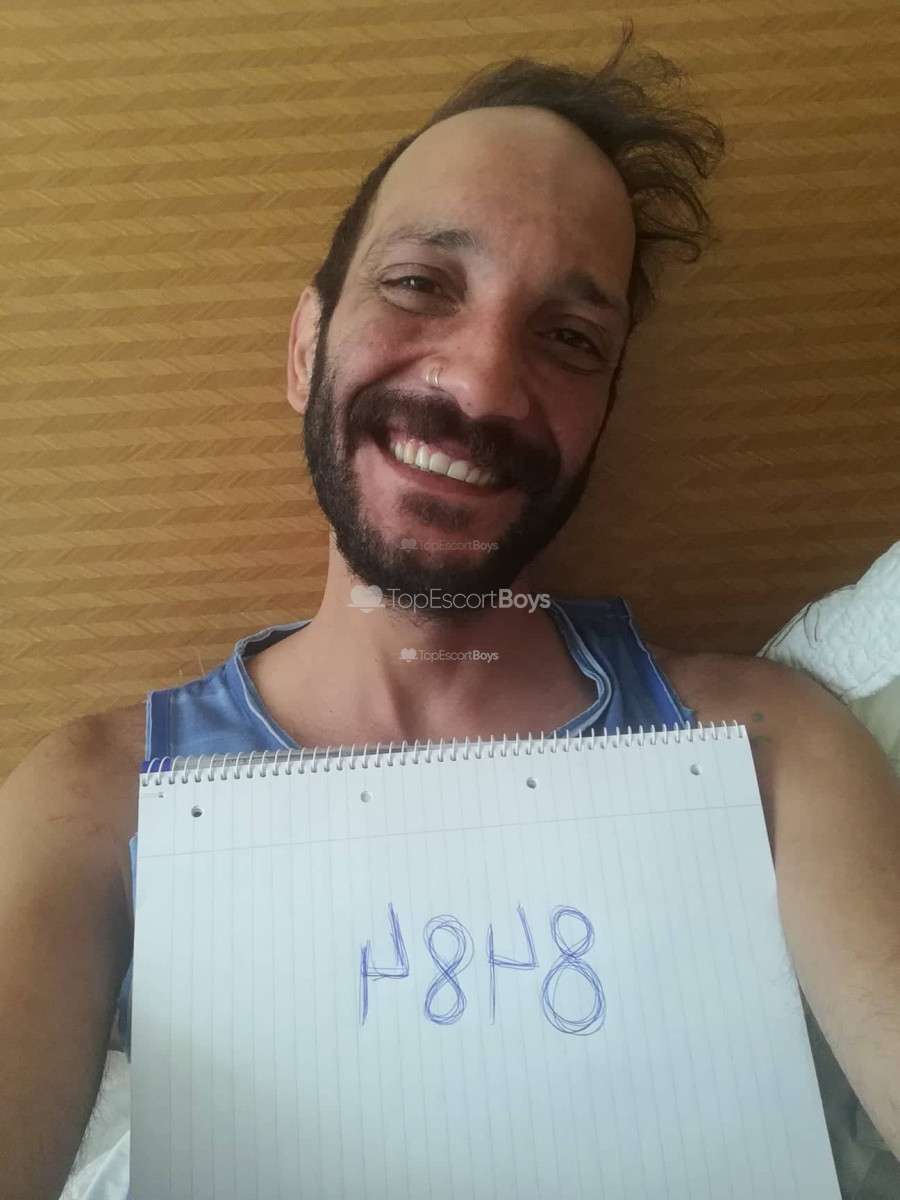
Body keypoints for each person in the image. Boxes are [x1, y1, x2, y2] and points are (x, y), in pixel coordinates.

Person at [2, 23, 898, 1200]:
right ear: (305, 347)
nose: (480, 383)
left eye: (568, 338)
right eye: (421, 283)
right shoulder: (90, 807)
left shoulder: (770, 751)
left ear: (601, 417)